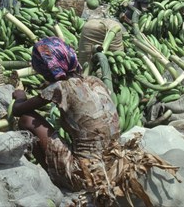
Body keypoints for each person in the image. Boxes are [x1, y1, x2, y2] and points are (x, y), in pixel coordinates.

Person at [11, 37, 120, 192]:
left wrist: (20, 95)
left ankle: (55, 178)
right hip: (115, 162)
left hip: (86, 175)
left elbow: (18, 110)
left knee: (27, 120)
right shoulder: (94, 80)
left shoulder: (60, 87)